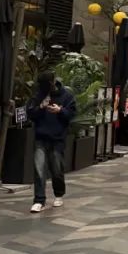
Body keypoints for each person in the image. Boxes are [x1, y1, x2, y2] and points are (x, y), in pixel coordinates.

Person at [27, 72, 76, 212]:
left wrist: (60, 110)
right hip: (41, 137)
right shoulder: (38, 95)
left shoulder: (66, 96)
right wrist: (41, 107)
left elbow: (71, 113)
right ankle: (39, 200)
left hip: (57, 138)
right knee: (39, 168)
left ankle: (59, 194)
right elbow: (31, 113)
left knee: (57, 168)